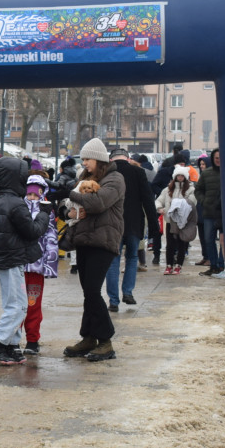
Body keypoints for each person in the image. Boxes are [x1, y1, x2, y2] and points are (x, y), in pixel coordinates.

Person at [0, 158, 51, 365]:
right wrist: (44, 214)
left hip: (5, 259)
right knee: (19, 306)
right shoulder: (16, 204)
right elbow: (33, 231)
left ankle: (11, 345)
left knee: (14, 304)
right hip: (11, 260)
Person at [60, 138, 126, 362]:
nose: (84, 163)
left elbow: (97, 203)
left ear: (98, 159)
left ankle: (105, 341)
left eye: (87, 159)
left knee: (92, 290)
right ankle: (89, 337)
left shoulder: (115, 179)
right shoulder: (85, 178)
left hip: (104, 240)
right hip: (84, 239)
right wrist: (65, 211)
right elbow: (69, 204)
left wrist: (69, 193)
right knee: (88, 292)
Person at [104, 148, 158, 313]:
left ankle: (113, 300)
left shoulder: (107, 173)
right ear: (127, 159)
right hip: (134, 223)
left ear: (111, 159)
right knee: (132, 257)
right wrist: (154, 226)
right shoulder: (138, 171)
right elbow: (147, 199)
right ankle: (128, 292)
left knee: (113, 261)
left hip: (113, 224)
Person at [20, 175, 58, 355]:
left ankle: (32, 340)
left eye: (36, 194)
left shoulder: (48, 211)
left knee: (33, 303)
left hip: (36, 267)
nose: (33, 198)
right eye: (30, 194)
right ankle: (12, 339)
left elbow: (51, 238)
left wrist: (50, 264)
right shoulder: (19, 208)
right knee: (16, 304)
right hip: (18, 266)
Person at [155, 165, 197, 275]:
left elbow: (193, 202)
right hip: (170, 221)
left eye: (182, 175)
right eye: (178, 175)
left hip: (183, 222)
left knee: (182, 243)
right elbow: (159, 200)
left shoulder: (190, 190)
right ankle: (169, 265)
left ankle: (179, 265)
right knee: (170, 244)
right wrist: (160, 208)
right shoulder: (168, 189)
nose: (180, 177)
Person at [196, 148, 225, 277]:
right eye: (216, 158)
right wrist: (204, 201)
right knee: (209, 239)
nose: (218, 160)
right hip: (209, 212)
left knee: (224, 241)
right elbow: (198, 190)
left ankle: (221, 265)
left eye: (220, 157)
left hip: (224, 214)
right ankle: (213, 265)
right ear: (213, 159)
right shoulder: (206, 173)